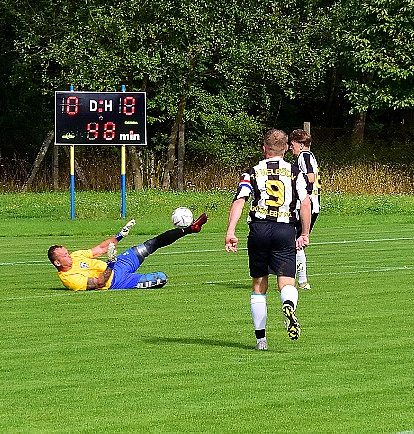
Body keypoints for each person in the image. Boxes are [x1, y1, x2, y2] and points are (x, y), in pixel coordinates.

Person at [225, 128, 311, 350]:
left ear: (264, 149)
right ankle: (289, 305)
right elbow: (305, 203)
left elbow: (239, 200)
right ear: (285, 149)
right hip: (285, 230)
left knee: (259, 285)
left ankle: (261, 340)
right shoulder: (295, 172)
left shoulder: (252, 172)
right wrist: (304, 234)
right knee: (287, 281)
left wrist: (230, 232)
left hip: (259, 229)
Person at [48, 214, 208, 291]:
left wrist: (120, 236)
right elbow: (99, 283)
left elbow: (101, 249)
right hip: (117, 282)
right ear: (57, 263)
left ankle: (190, 229)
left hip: (119, 266)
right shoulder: (69, 280)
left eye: (67, 252)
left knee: (150, 245)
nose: (69, 256)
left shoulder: (76, 256)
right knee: (161, 278)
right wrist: (110, 264)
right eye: (65, 256)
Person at [288, 129, 320, 290]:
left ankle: (301, 280)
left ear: (300, 144)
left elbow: (311, 177)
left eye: (292, 144)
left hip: (306, 206)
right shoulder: (307, 156)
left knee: (295, 241)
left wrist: (296, 188)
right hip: (310, 205)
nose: (289, 147)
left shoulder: (304, 156)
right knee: (294, 241)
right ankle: (300, 280)